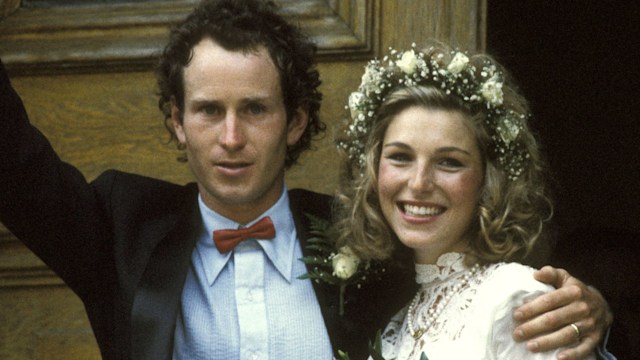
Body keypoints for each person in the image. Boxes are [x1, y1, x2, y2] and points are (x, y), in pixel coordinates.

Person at [0, 0, 611, 359]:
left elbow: (476, 296)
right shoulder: (120, 228)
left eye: (256, 110)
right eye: (209, 110)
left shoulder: (368, 240)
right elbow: (14, 168)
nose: (232, 138)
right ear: (177, 122)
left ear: (295, 122)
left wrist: (596, 316)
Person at [333, 42, 616, 359]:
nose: (419, 182)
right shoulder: (400, 319)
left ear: (488, 179)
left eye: (449, 162)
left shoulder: (516, 299)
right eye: (400, 157)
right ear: (373, 170)